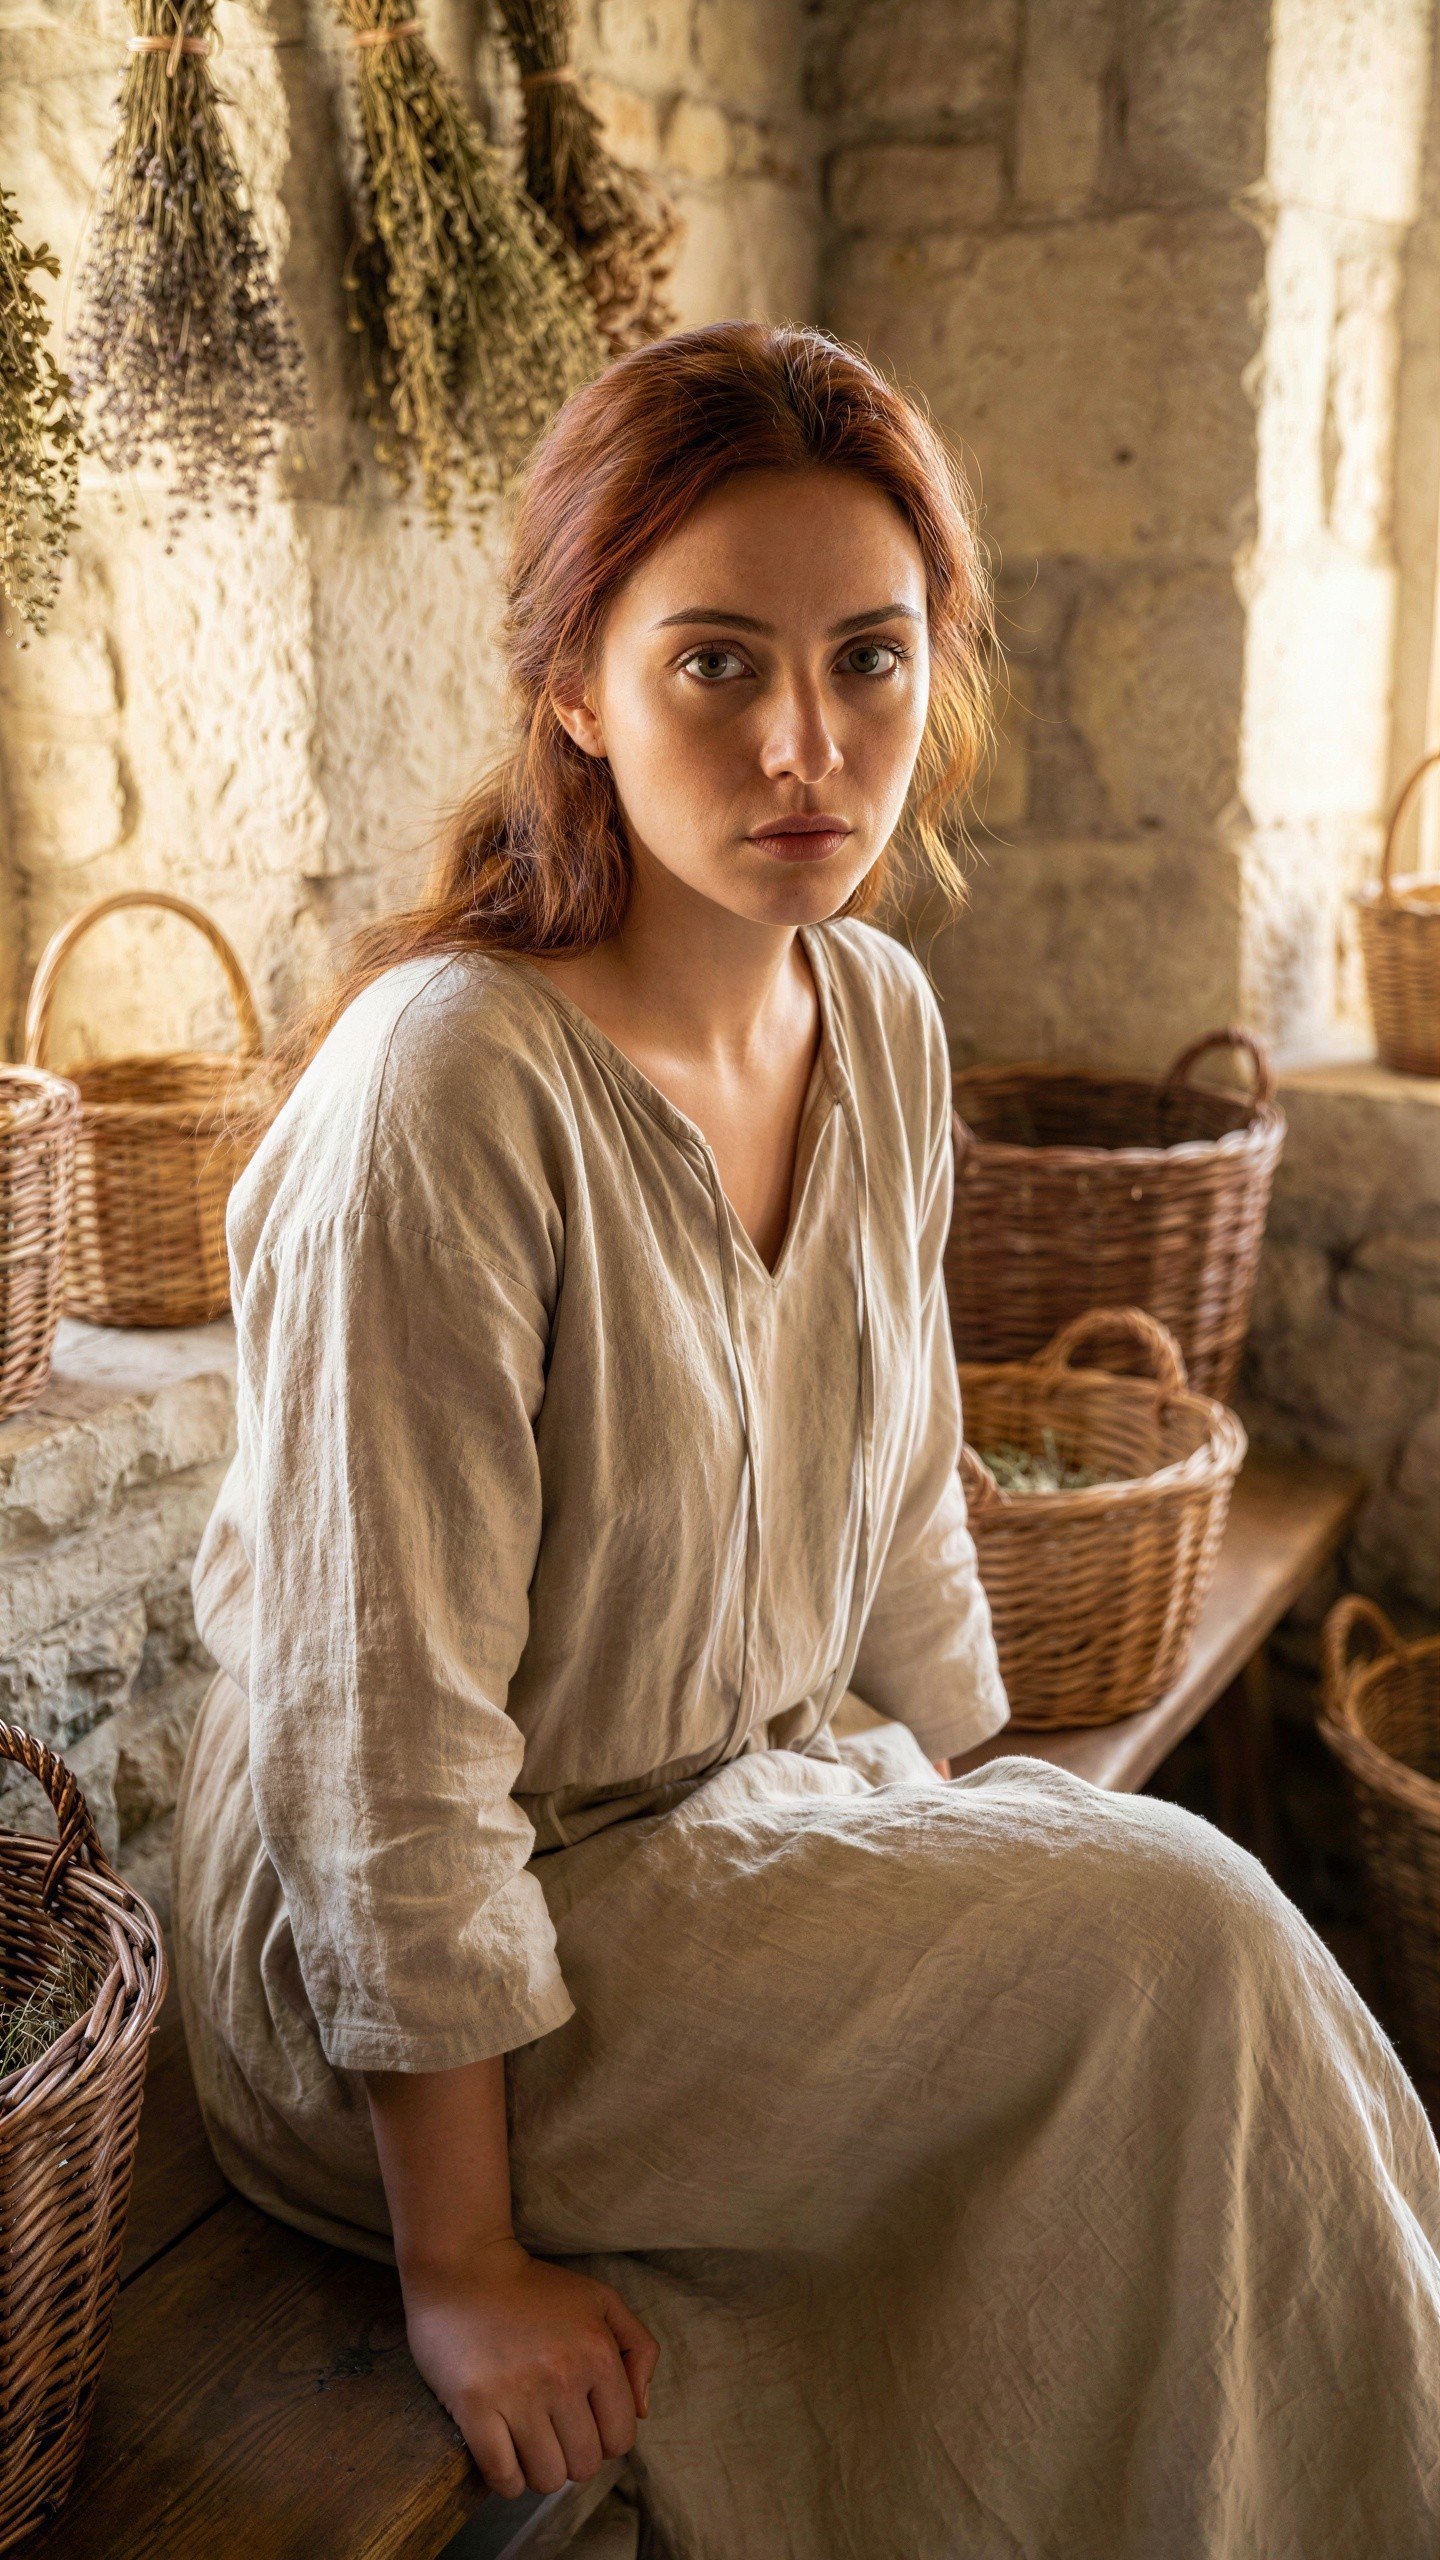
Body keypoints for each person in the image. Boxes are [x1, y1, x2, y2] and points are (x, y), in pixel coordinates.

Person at [173, 322, 1440, 2558]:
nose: (806, 745)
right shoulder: (449, 1094)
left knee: (1177, 1994)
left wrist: (962, 1855)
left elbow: (908, 1494)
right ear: (575, 682)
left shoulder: (878, 1012)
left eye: (869, 659)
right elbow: (376, 1729)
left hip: (745, 1821)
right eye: (716, 665)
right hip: (428, 1997)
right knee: (1188, 1945)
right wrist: (460, 2267)